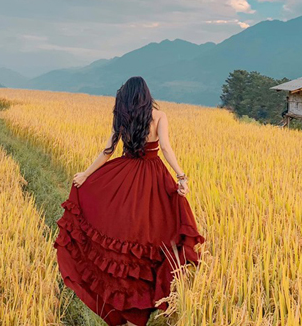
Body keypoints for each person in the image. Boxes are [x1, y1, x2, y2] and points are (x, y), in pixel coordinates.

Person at [54, 75, 205, 326]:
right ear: (146, 95)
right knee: (153, 233)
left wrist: (86, 174)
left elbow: (108, 150)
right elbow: (165, 148)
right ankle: (141, 309)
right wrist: (181, 177)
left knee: (121, 234)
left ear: (125, 96)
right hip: (154, 177)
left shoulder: (122, 115)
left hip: (124, 175)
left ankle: (121, 307)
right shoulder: (159, 116)